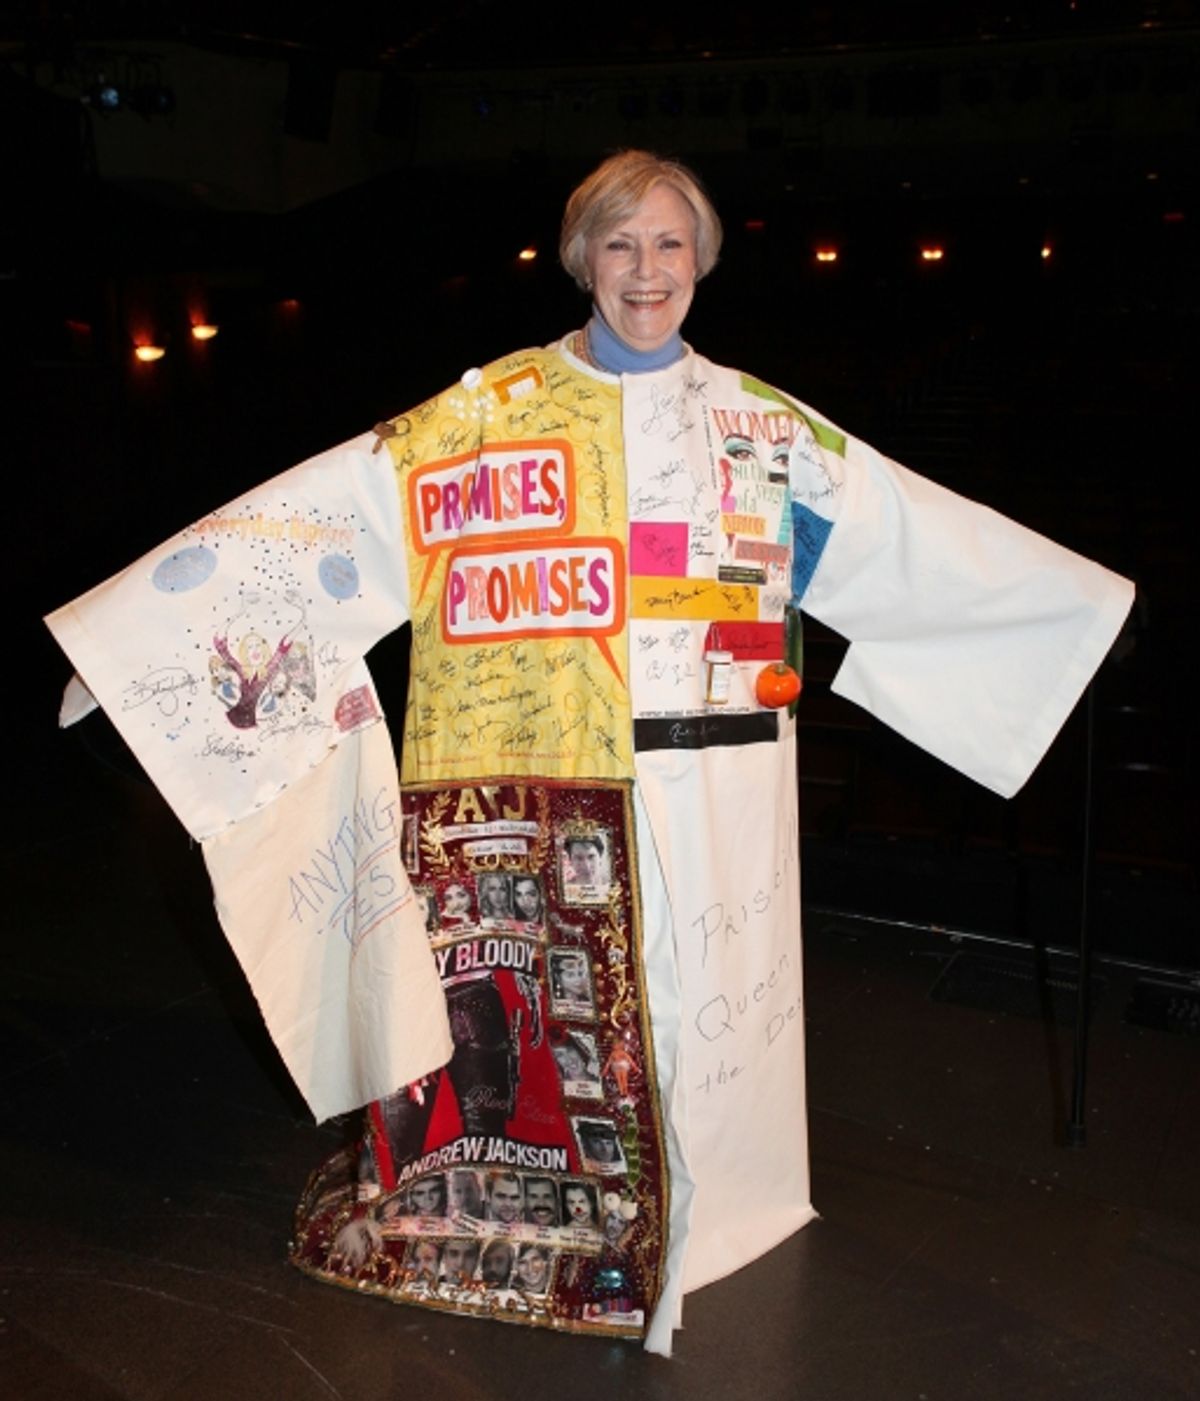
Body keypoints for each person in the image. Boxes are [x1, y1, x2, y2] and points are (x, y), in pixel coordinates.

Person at [46, 149, 1133, 1356]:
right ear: (584, 260)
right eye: (621, 245)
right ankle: (554, 1224)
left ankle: (704, 1213)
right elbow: (318, 520)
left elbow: (907, 539)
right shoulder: (479, 419)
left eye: (670, 243)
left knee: (702, 1011)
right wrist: (141, 635)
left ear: (703, 260)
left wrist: (1069, 616)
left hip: (716, 778)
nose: (647, 268)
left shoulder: (761, 428)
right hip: (538, 788)